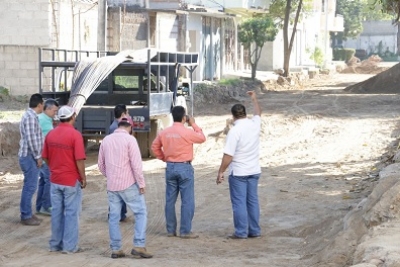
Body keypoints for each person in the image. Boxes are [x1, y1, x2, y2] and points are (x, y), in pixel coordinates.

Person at [98, 118, 153, 259]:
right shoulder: (130, 140)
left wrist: (110, 175)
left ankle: (116, 249)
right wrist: (141, 183)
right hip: (128, 184)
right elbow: (136, 165)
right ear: (130, 127)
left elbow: (101, 165)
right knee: (141, 213)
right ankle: (139, 245)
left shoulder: (106, 140)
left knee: (114, 217)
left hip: (112, 185)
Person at [151, 106, 206, 239]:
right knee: (187, 200)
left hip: (170, 167)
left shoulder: (165, 132)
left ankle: (171, 230)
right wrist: (193, 123)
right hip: (184, 167)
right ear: (184, 118)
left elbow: (154, 146)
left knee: (170, 200)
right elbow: (202, 138)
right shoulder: (187, 132)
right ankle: (185, 231)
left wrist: (164, 158)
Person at [216, 91, 262, 239]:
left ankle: (241, 232)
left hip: (239, 172)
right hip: (254, 170)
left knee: (239, 203)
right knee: (252, 201)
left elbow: (228, 155)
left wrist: (221, 171)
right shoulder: (254, 124)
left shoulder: (234, 131)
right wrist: (254, 99)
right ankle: (254, 230)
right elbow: (258, 113)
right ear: (245, 113)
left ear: (233, 116)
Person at [42, 105, 87, 254]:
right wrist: (83, 178)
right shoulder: (75, 135)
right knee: (71, 214)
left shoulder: (51, 134)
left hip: (55, 180)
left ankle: (55, 244)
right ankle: (69, 247)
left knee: (56, 213)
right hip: (70, 180)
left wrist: (54, 167)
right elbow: (79, 160)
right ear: (73, 116)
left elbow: (45, 157)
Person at [18, 93, 44, 226]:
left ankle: (27, 212)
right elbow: (32, 139)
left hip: (29, 156)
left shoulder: (31, 116)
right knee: (30, 186)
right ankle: (26, 215)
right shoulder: (30, 118)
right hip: (29, 156)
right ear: (40, 104)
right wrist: (38, 157)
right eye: (43, 104)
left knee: (30, 186)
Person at [36, 99, 59, 216]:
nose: (55, 113)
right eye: (54, 111)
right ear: (48, 109)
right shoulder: (44, 121)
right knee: (49, 180)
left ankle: (39, 205)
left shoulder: (42, 119)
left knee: (43, 181)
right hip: (43, 156)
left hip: (40, 155)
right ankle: (46, 206)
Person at [108, 104, 130, 222]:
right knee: (117, 190)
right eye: (126, 113)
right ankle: (115, 214)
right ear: (122, 115)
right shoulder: (115, 128)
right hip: (117, 164)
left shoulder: (116, 126)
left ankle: (121, 213)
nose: (127, 115)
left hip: (117, 163)